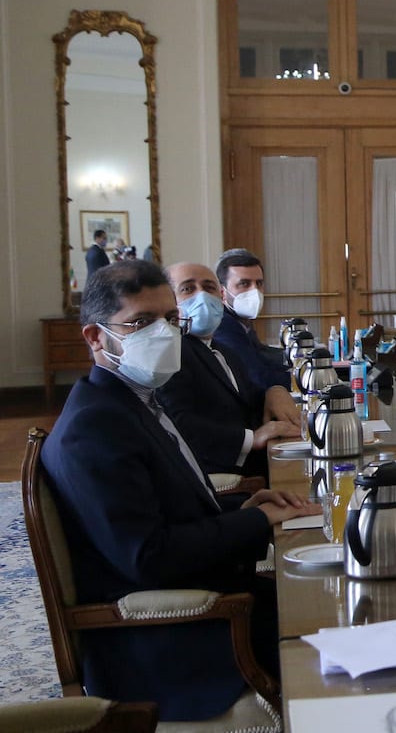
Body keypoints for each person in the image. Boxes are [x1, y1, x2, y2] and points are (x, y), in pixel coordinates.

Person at [41, 260, 319, 720]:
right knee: (333, 625)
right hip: (171, 640)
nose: (164, 332)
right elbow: (149, 557)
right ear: (95, 337)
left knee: (327, 596)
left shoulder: (127, 400)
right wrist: (253, 522)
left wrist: (243, 508)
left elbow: (165, 510)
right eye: (141, 322)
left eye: (171, 319)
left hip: (209, 597)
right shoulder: (95, 428)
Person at [159, 262, 301, 479]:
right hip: (222, 477)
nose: (203, 297)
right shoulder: (171, 351)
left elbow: (249, 395)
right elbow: (178, 423)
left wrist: (274, 391)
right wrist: (252, 438)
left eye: (209, 288)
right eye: (188, 289)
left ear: (222, 296)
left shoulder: (221, 350)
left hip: (261, 464)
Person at [212, 248, 292, 391]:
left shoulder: (241, 320)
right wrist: (302, 380)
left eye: (259, 283)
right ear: (222, 293)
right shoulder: (223, 325)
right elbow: (258, 378)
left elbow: (261, 359)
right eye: (244, 284)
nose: (254, 291)